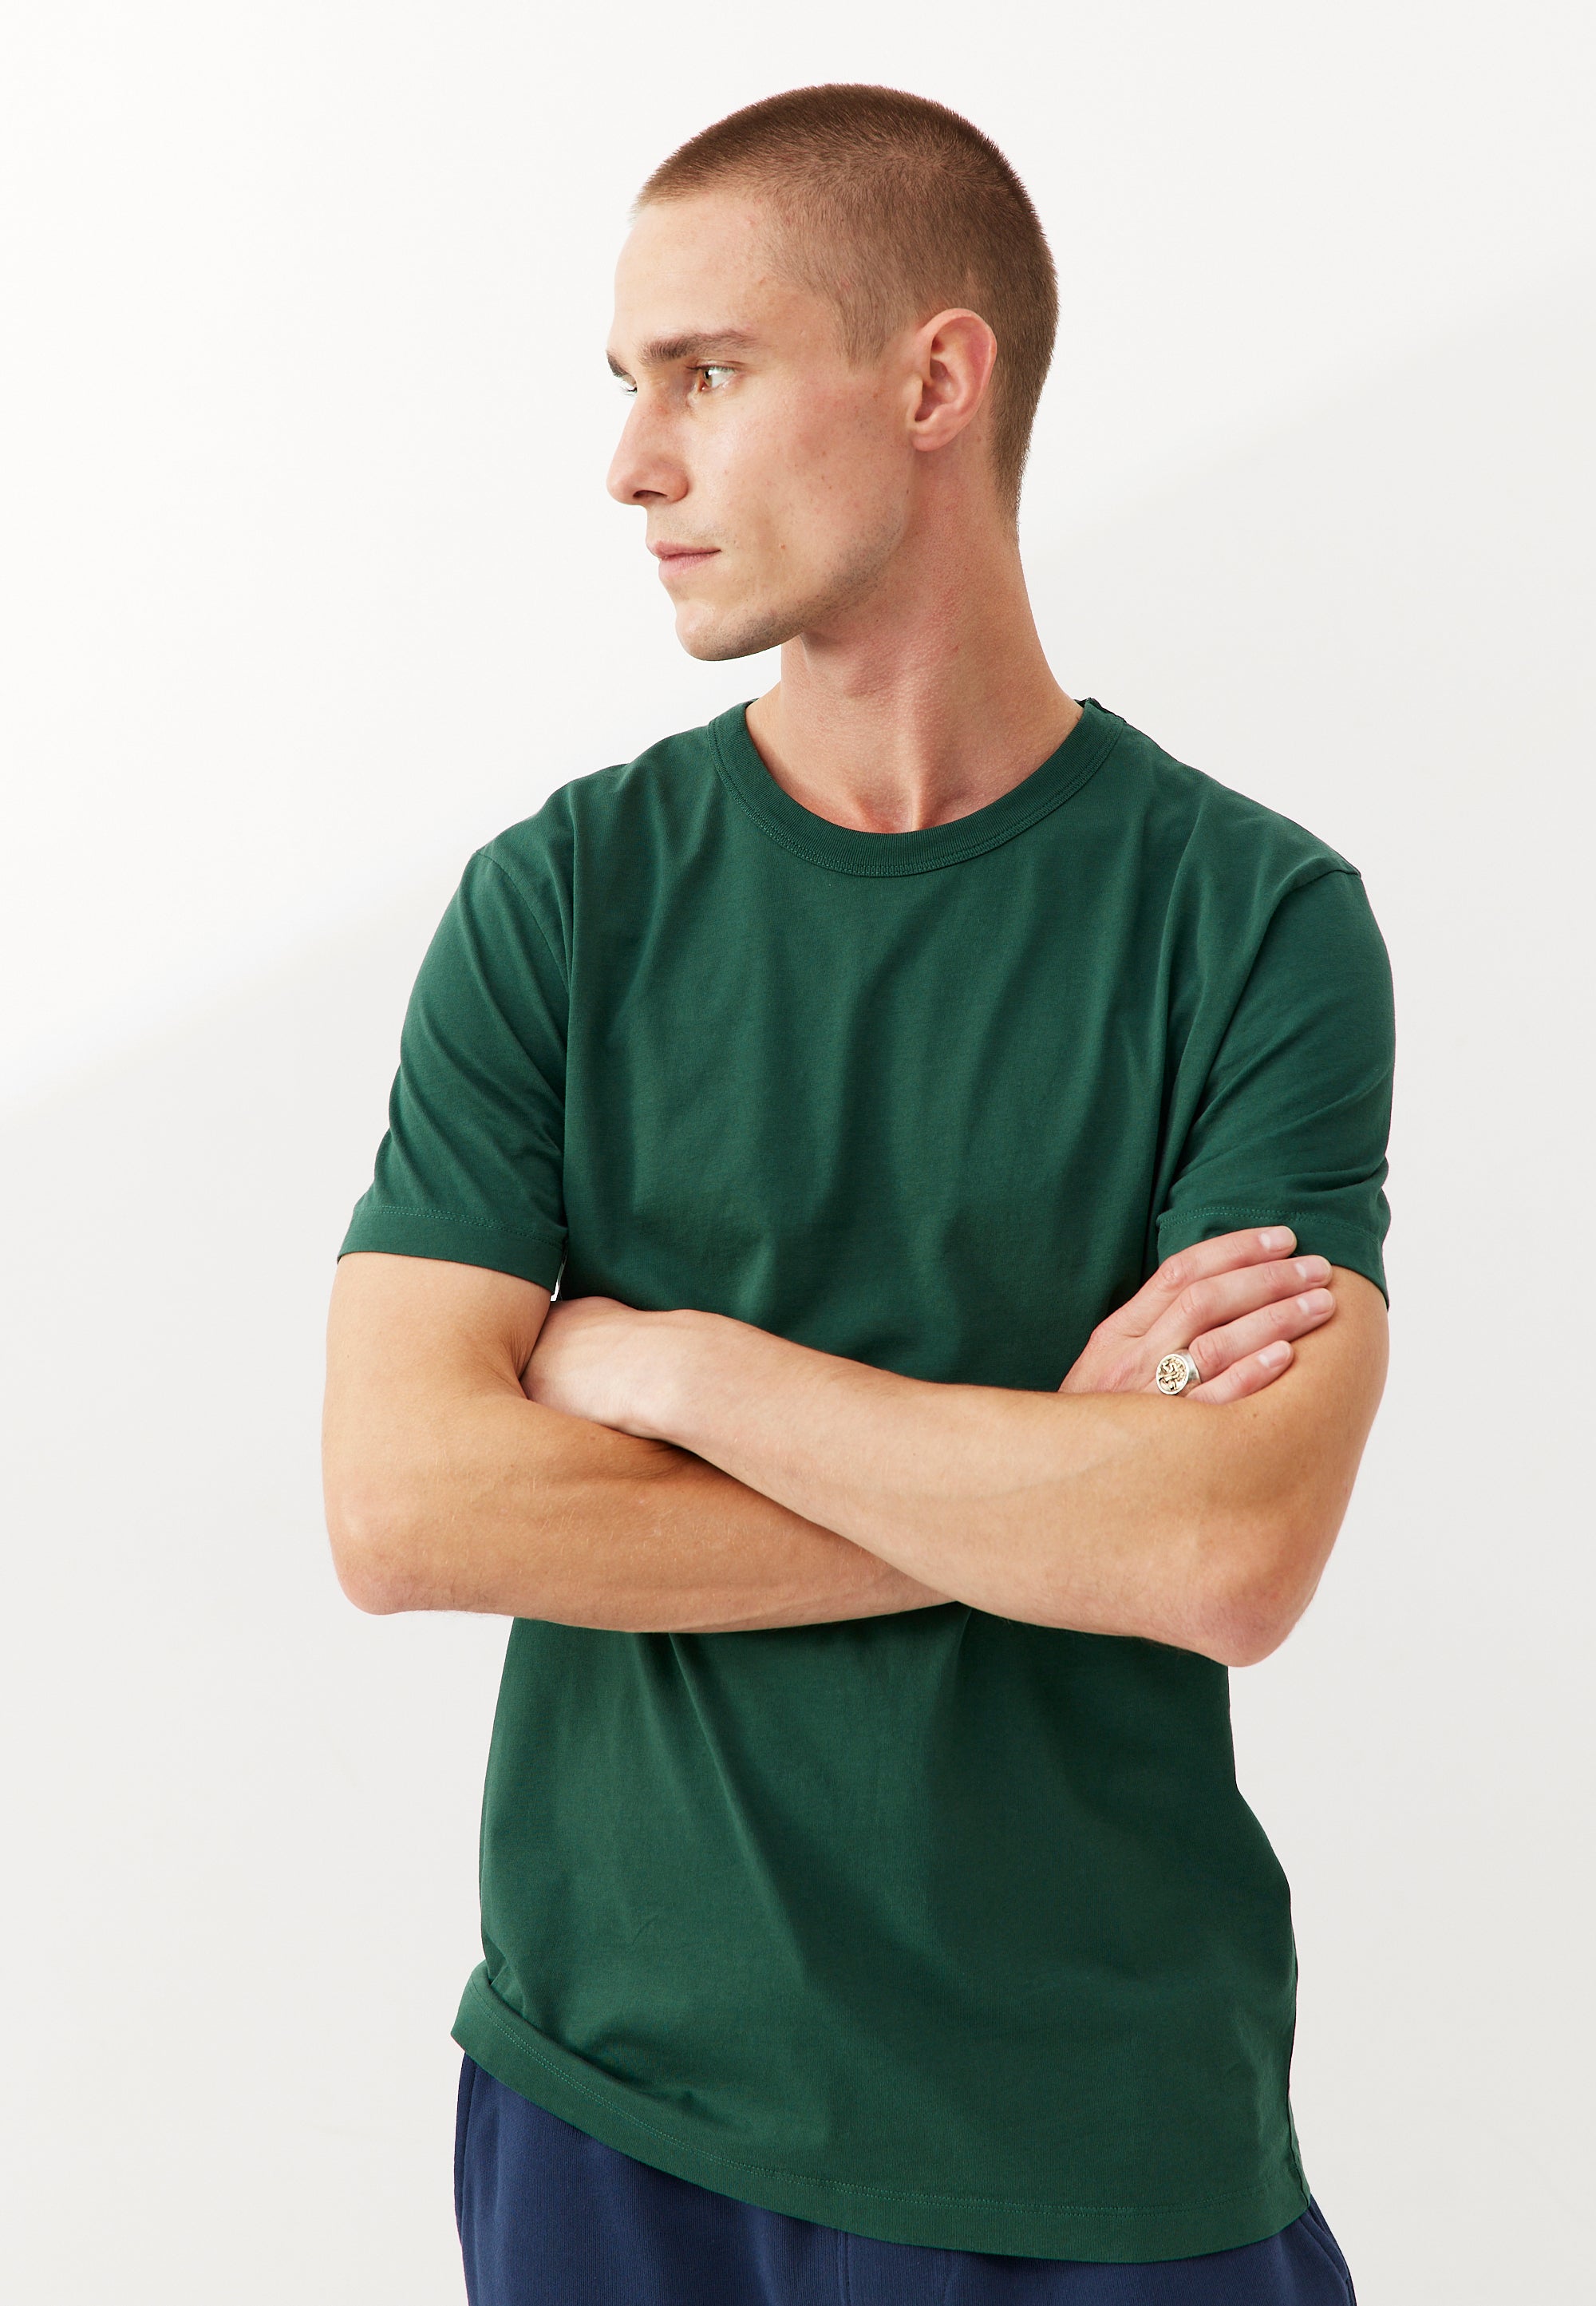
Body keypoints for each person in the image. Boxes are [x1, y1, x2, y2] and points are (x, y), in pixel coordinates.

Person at [322, 83, 1391, 2306]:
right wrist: (1041, 1489)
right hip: (611, 2122)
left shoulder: (1250, 922)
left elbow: (1218, 1548)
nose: (634, 463)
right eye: (628, 386)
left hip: (1096, 2144)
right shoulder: (564, 903)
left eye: (704, 374)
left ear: (934, 381)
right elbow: (407, 1503)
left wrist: (672, 1366)